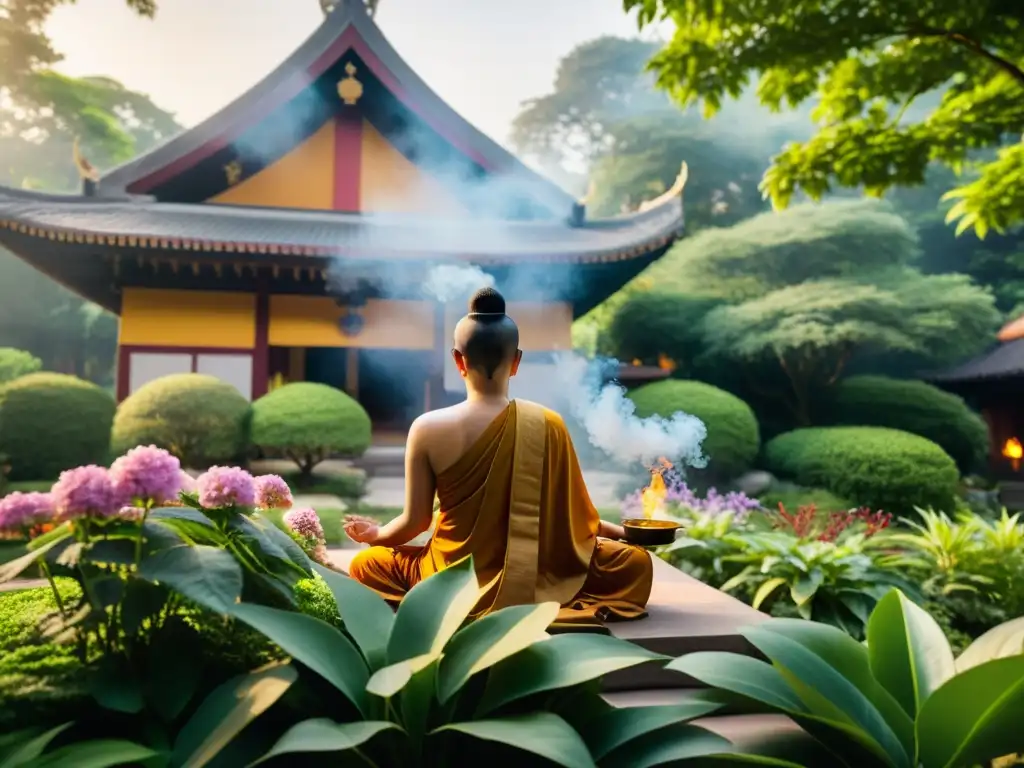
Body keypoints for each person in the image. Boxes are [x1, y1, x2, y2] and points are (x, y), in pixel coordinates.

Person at [344, 287, 653, 624]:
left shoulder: (427, 428)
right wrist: (626, 534)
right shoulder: (548, 423)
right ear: (516, 361)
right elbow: (578, 523)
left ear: (458, 361)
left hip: (451, 577)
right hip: (539, 573)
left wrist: (376, 535)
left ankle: (448, 604)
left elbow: (415, 522)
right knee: (634, 564)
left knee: (367, 564)